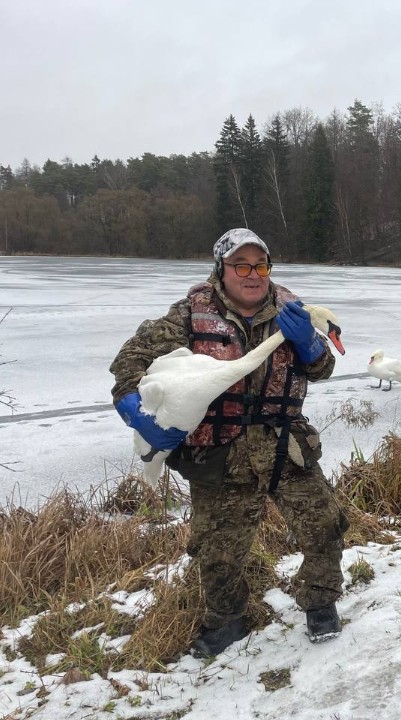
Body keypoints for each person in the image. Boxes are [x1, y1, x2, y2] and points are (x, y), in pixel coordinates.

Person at [110, 228, 349, 656]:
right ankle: (227, 619)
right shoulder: (188, 315)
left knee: (325, 526)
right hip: (221, 452)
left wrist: (311, 346)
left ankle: (319, 602)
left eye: (260, 265)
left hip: (285, 446)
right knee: (217, 549)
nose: (253, 274)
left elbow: (323, 369)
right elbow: (130, 360)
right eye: (242, 265)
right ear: (222, 270)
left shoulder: (293, 311)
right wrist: (132, 406)